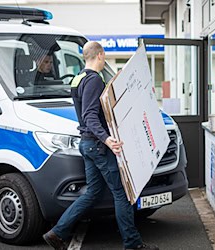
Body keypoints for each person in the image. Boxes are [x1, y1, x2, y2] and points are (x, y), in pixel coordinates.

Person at [42, 41, 158, 250]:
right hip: (98, 146)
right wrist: (107, 139)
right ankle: (133, 244)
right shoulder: (94, 80)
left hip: (87, 144)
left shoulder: (79, 79)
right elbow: (90, 115)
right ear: (101, 55)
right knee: (121, 194)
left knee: (93, 193)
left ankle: (57, 233)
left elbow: (89, 110)